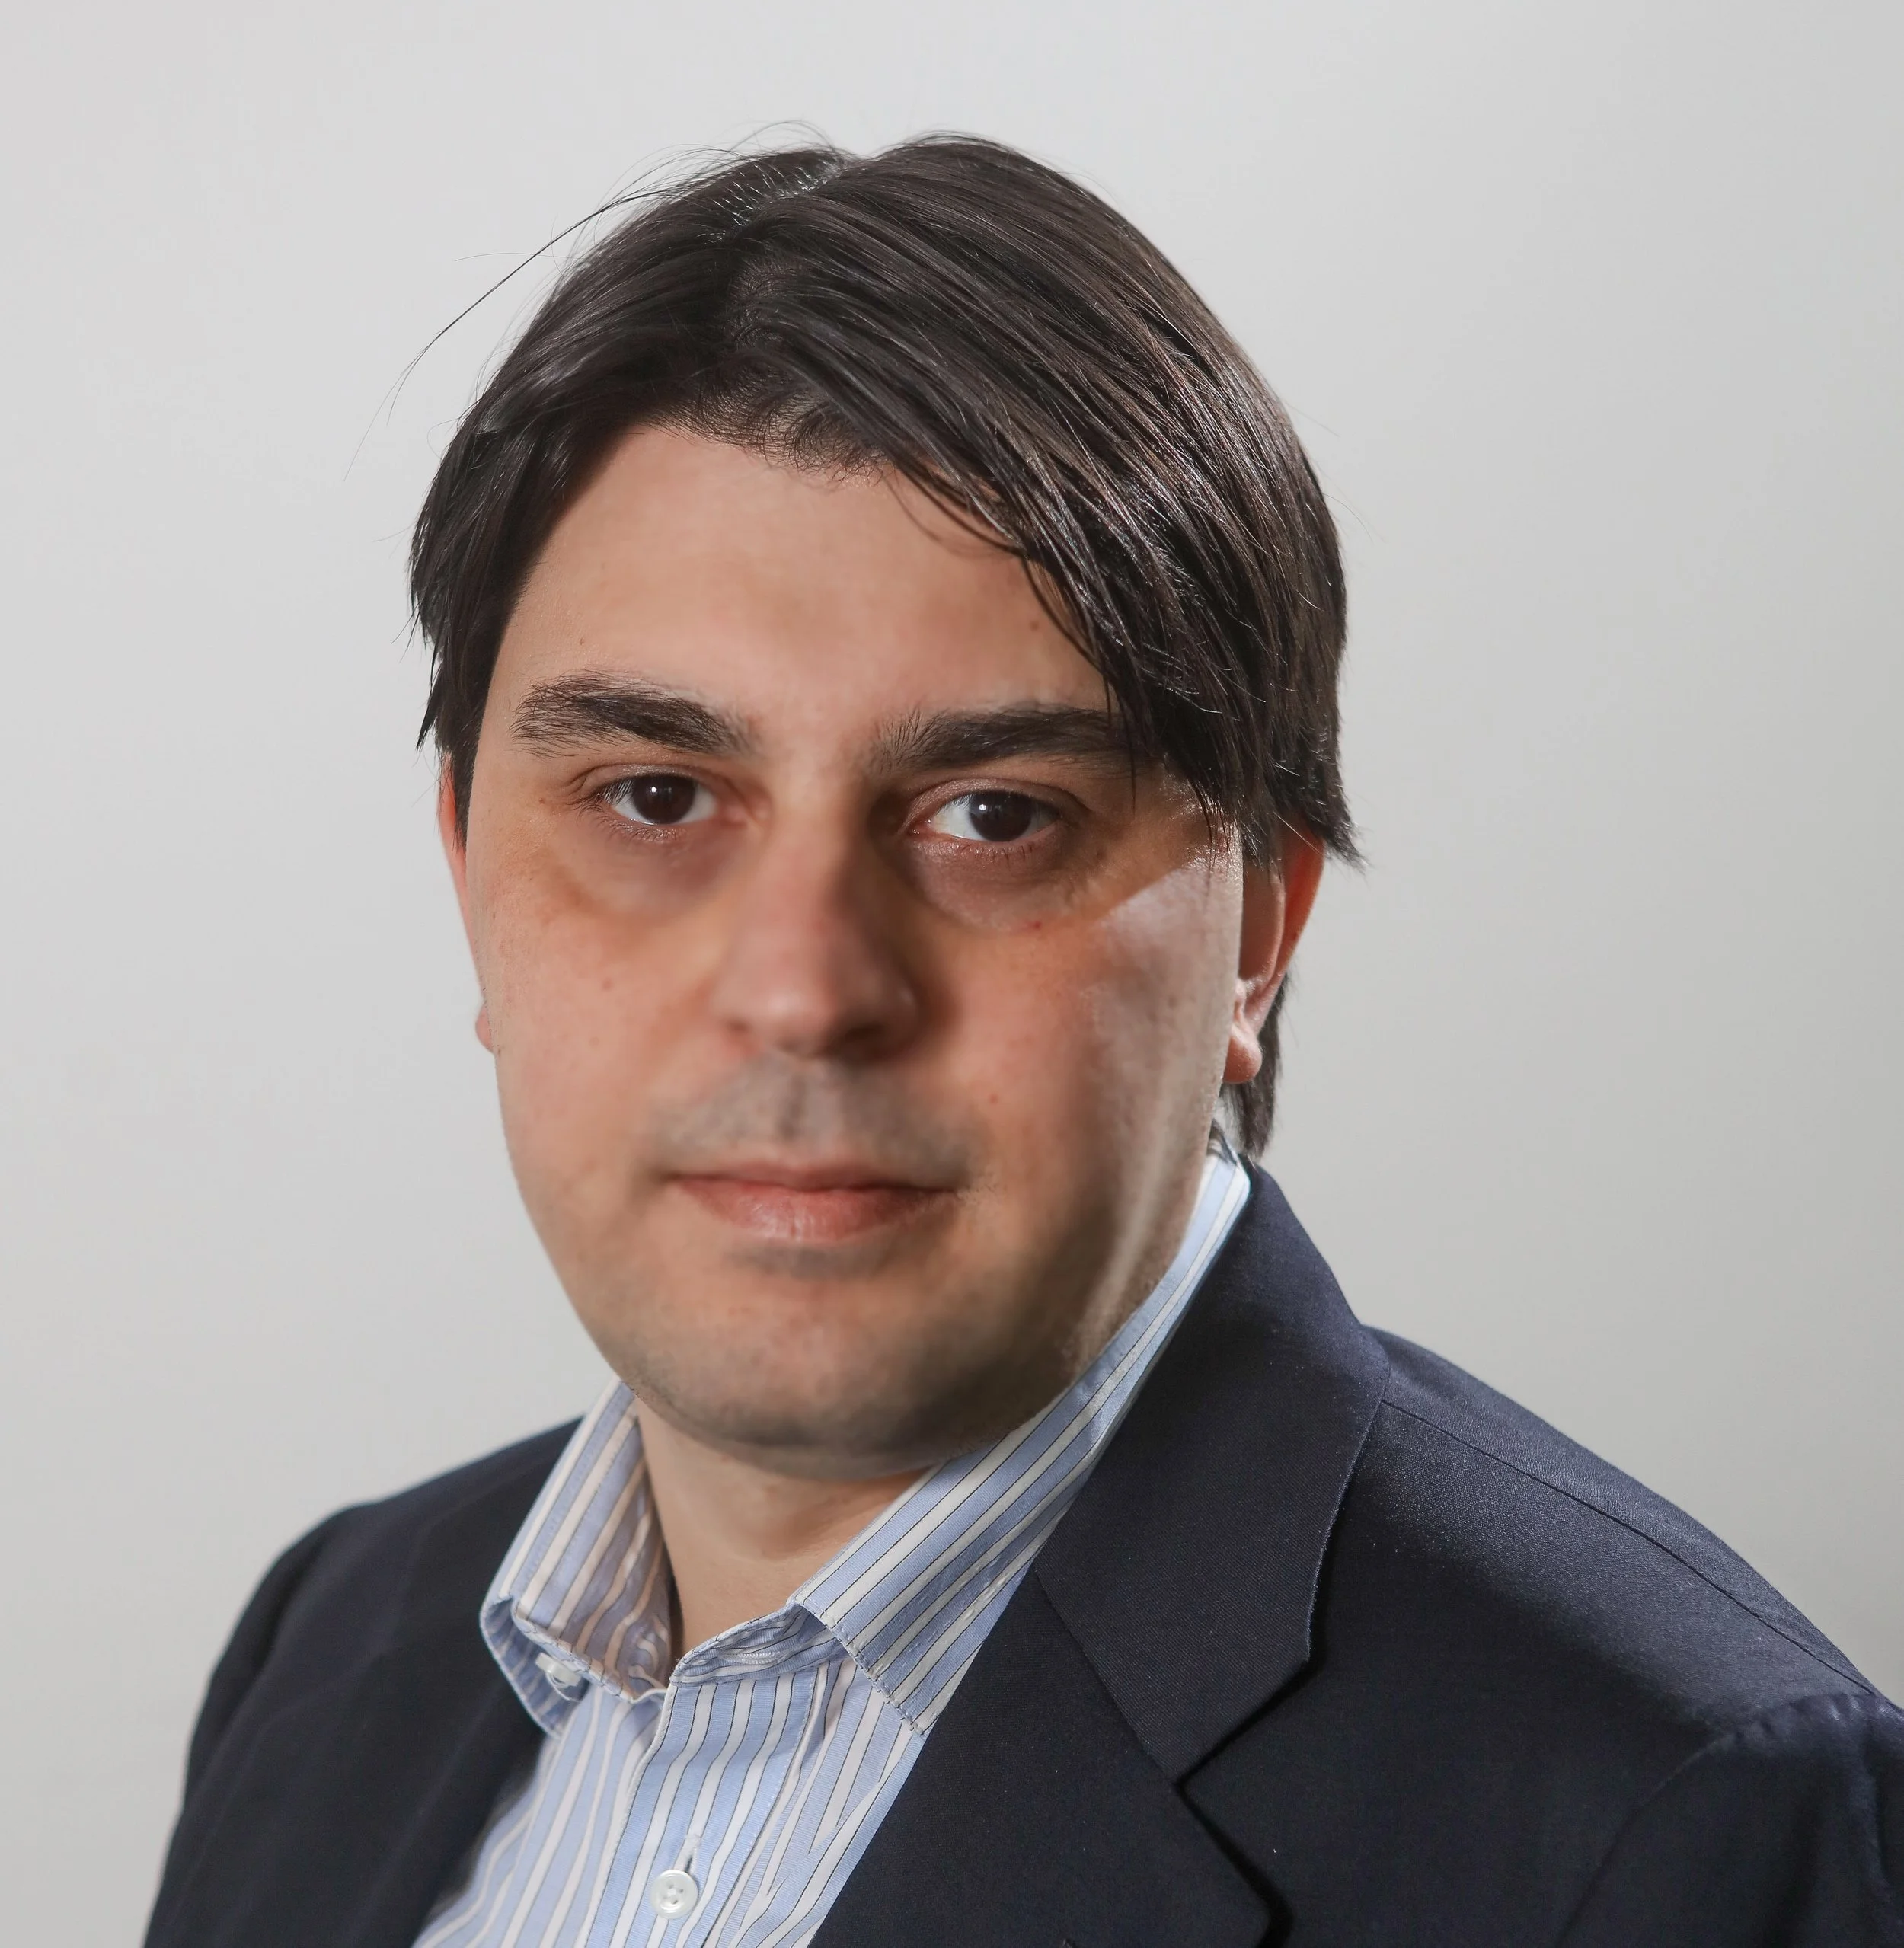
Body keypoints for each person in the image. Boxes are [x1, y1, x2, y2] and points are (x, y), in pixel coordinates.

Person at [143, 137, 1902, 1948]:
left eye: (992, 816)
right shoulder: (328, 1657)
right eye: (657, 794)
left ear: (1258, 928)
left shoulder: (1676, 1818)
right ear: (466, 871)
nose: (808, 987)